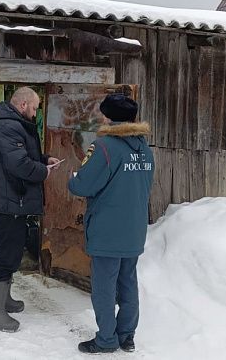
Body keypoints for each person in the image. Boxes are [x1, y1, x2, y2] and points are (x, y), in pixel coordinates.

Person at [68, 93, 154, 354]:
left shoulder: (104, 147)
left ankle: (106, 339)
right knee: (128, 283)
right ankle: (126, 336)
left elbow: (83, 185)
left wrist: (74, 177)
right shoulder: (145, 149)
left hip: (107, 230)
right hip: (134, 229)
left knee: (104, 288)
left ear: (107, 116)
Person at [0, 86, 60, 332]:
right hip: (7, 201)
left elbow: (22, 153)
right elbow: (18, 163)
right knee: (7, 254)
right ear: (23, 104)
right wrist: (42, 172)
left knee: (12, 250)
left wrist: (44, 159)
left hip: (12, 198)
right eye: (35, 107)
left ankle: (4, 300)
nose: (36, 113)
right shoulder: (8, 125)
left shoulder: (12, 123)